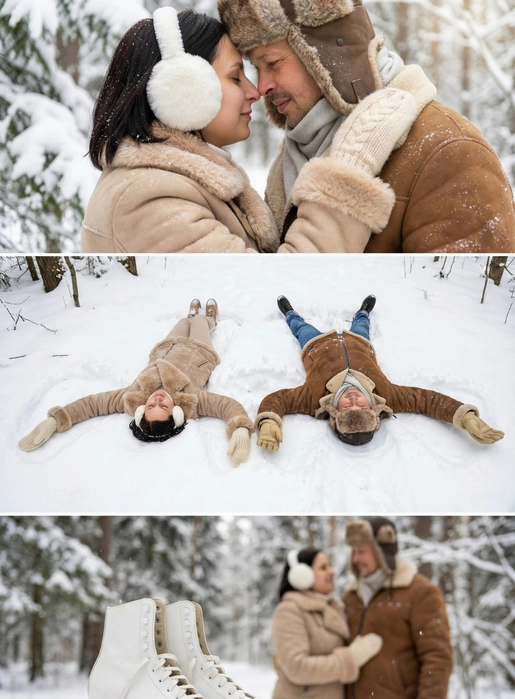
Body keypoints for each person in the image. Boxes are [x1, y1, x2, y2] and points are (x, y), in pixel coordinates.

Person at [81, 5, 420, 253]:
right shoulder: (149, 198)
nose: (255, 91)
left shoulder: (170, 183)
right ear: (183, 92)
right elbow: (272, 291)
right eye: (235, 76)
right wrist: (349, 165)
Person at [218, 0, 515, 253]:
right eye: (257, 68)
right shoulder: (292, 161)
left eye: (273, 63)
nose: (263, 86)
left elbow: (466, 311)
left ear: (323, 54)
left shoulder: (449, 151)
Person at [18, 299, 253, 466]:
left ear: (142, 409)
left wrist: (56, 420)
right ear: (176, 413)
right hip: (199, 350)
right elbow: (227, 407)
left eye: (151, 407)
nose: (158, 401)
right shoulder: (193, 400)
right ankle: (207, 318)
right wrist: (240, 428)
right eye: (163, 408)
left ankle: (190, 316)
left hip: (167, 346)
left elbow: (92, 405)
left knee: (183, 323)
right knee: (200, 323)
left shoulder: (132, 395)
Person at [255, 294, 505, 448]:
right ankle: (363, 311)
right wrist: (465, 417)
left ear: (334, 411)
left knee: (300, 327)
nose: (353, 400)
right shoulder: (388, 395)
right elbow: (429, 401)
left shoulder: (313, 398)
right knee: (362, 324)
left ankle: (290, 312)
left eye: (347, 407)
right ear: (373, 409)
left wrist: (268, 420)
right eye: (361, 407)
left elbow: (277, 400)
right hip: (359, 343)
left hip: (317, 345)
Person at [342, 516, 453, 699]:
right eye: (353, 552)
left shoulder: (420, 592)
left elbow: (437, 657)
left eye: (362, 551)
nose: (355, 558)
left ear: (383, 551)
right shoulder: (350, 597)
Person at [270, 546, 382, 699]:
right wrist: (351, 659)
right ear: (301, 575)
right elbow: (297, 667)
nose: (332, 572)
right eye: (323, 567)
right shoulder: (289, 610)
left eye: (330, 565)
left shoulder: (334, 608)